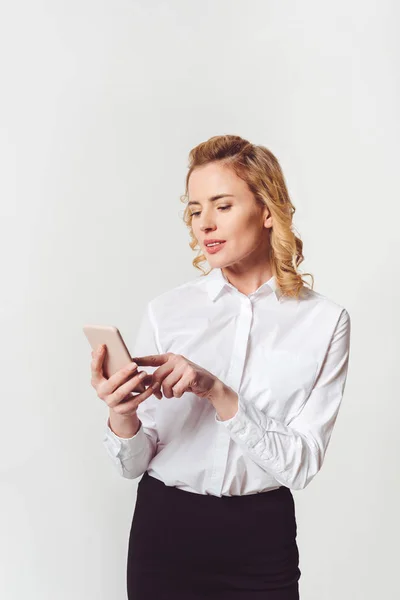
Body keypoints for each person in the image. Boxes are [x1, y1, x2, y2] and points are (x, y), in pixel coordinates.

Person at [93, 135, 351, 599]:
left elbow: (302, 465)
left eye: (222, 205)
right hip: (164, 534)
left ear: (268, 210)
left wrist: (219, 392)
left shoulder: (325, 323)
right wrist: (122, 416)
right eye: (195, 210)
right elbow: (133, 465)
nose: (204, 224)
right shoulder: (166, 312)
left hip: (261, 540)